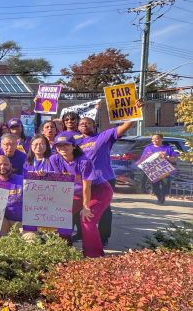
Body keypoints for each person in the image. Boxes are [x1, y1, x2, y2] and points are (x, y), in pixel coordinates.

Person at [75, 102, 141, 244]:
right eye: (81, 123)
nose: (84, 125)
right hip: (83, 180)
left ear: (94, 126)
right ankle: (81, 234)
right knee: (81, 207)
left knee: (104, 209)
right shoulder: (75, 142)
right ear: (78, 128)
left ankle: (103, 237)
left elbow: (125, 126)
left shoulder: (104, 136)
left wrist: (136, 110)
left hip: (104, 179)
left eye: (88, 123)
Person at [48, 132, 111, 258]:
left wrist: (86, 207)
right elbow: (55, 180)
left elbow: (87, 187)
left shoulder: (84, 161)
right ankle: (65, 248)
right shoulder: (54, 159)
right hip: (75, 192)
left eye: (66, 145)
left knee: (87, 219)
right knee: (60, 214)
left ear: (74, 146)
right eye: (59, 146)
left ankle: (94, 255)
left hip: (98, 190)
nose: (63, 148)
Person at [138, 133, 178, 204]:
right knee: (155, 186)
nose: (154, 140)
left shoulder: (168, 148)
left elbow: (174, 159)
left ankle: (163, 197)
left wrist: (166, 157)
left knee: (166, 185)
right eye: (153, 139)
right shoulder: (148, 148)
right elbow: (143, 159)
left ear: (161, 139)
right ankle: (160, 198)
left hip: (164, 170)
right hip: (153, 170)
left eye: (156, 139)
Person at [0, 155, 23, 235]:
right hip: (2, 222)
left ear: (10, 166)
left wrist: (41, 176)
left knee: (31, 240)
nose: (3, 166)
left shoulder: (21, 179)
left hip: (21, 223)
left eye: (6, 164)